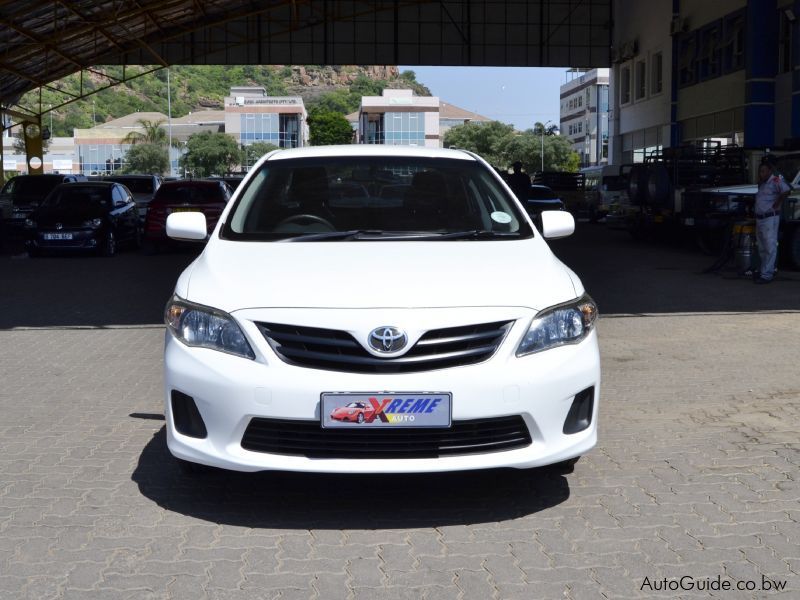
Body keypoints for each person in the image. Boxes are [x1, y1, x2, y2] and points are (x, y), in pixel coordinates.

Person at [753, 155, 791, 284]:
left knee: (770, 247)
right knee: (762, 247)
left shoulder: (775, 180)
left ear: (769, 171)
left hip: (770, 218)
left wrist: (778, 202)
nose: (761, 173)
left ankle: (767, 274)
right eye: (760, 171)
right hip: (760, 219)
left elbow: (786, 191)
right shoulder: (762, 184)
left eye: (763, 171)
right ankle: (764, 270)